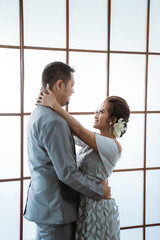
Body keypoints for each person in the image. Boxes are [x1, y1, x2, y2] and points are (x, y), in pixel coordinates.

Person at [23, 61, 111, 240]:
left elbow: (78, 136)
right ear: (59, 85)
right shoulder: (54, 121)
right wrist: (99, 191)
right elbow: (67, 173)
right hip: (57, 210)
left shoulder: (38, 113)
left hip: (45, 206)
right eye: (72, 85)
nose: (73, 91)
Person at [37, 86, 130, 240]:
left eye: (101, 112)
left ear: (113, 120)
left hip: (97, 209)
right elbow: (70, 132)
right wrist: (48, 105)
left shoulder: (113, 146)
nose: (95, 114)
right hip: (85, 203)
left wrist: (54, 105)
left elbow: (78, 130)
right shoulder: (95, 140)